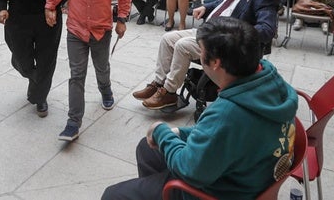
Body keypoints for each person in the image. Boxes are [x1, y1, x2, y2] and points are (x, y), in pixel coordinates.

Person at [103, 17, 298, 200]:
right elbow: (221, 134)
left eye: (200, 50)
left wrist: (161, 131)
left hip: (220, 190)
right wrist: (181, 132)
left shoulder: (228, 113)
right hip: (250, 168)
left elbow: (191, 169)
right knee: (147, 148)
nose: (198, 52)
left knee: (113, 195)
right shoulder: (272, 82)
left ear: (215, 63)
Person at [133, 0, 279, 110]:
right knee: (168, 39)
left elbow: (267, 30)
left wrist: (232, 33)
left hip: (227, 42)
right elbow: (222, 3)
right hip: (208, 31)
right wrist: (205, 7)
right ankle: (158, 83)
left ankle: (169, 92)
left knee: (183, 45)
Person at [45, 0, 131, 142]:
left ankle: (106, 90)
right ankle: (73, 122)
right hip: (76, 29)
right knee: (77, 75)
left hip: (101, 29)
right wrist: (50, 6)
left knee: (102, 68)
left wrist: (121, 19)